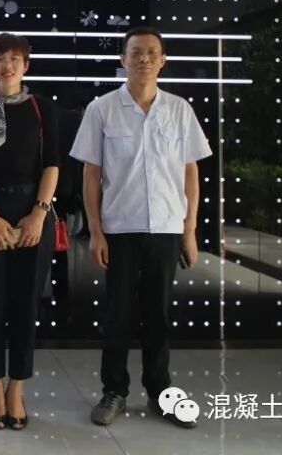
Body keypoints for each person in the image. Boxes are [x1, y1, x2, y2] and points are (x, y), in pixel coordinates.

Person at [69, 26, 212, 428]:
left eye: (152, 53)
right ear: (123, 60)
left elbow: (190, 173)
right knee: (118, 314)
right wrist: (96, 231)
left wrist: (189, 230)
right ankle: (114, 390)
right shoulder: (102, 109)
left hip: (166, 227)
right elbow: (91, 174)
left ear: (162, 60)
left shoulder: (179, 110)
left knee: (158, 315)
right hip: (120, 228)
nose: (144, 59)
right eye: (136, 52)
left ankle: (160, 391)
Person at [0, 32, 59, 431]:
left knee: (25, 304)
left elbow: (52, 165)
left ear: (26, 66)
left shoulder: (42, 107)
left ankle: (17, 386)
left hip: (33, 214)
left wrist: (38, 214)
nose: (7, 65)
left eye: (15, 59)